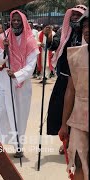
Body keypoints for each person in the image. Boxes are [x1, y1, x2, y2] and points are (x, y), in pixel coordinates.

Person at [0, 10, 39, 158]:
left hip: (22, 84)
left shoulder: (30, 40)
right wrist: (5, 50)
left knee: (19, 114)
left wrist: (17, 74)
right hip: (6, 81)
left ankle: (19, 147)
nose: (16, 23)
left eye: (19, 20)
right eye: (14, 20)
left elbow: (31, 65)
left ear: (23, 22)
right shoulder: (4, 38)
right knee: (1, 113)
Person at [45, 5, 87, 155]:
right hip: (64, 78)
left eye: (78, 15)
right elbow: (53, 45)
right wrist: (49, 36)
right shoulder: (64, 32)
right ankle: (66, 142)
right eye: (73, 14)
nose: (75, 17)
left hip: (82, 81)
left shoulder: (85, 32)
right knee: (61, 111)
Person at [58, 9, 88, 180]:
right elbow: (70, 90)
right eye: (86, 28)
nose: (88, 32)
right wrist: (64, 124)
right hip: (79, 118)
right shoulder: (75, 56)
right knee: (78, 160)